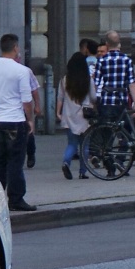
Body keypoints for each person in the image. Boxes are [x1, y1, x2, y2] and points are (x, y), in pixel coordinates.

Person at [0, 34, 36, 211]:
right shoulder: (20, 70)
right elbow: (26, 100)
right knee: (15, 162)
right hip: (15, 120)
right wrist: (30, 120)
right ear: (15, 48)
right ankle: (15, 198)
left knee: (0, 161)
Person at [56, 52, 95, 180]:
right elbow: (93, 97)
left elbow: (60, 98)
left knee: (72, 144)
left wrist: (58, 112)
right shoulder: (88, 79)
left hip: (69, 115)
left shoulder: (64, 80)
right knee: (85, 145)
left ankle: (66, 162)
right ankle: (83, 172)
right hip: (84, 115)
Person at [94, 30, 135, 122]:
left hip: (106, 101)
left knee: (106, 131)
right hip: (122, 100)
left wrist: (94, 101)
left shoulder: (102, 60)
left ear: (107, 44)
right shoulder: (127, 60)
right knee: (124, 131)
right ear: (119, 43)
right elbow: (131, 83)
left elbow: (96, 83)